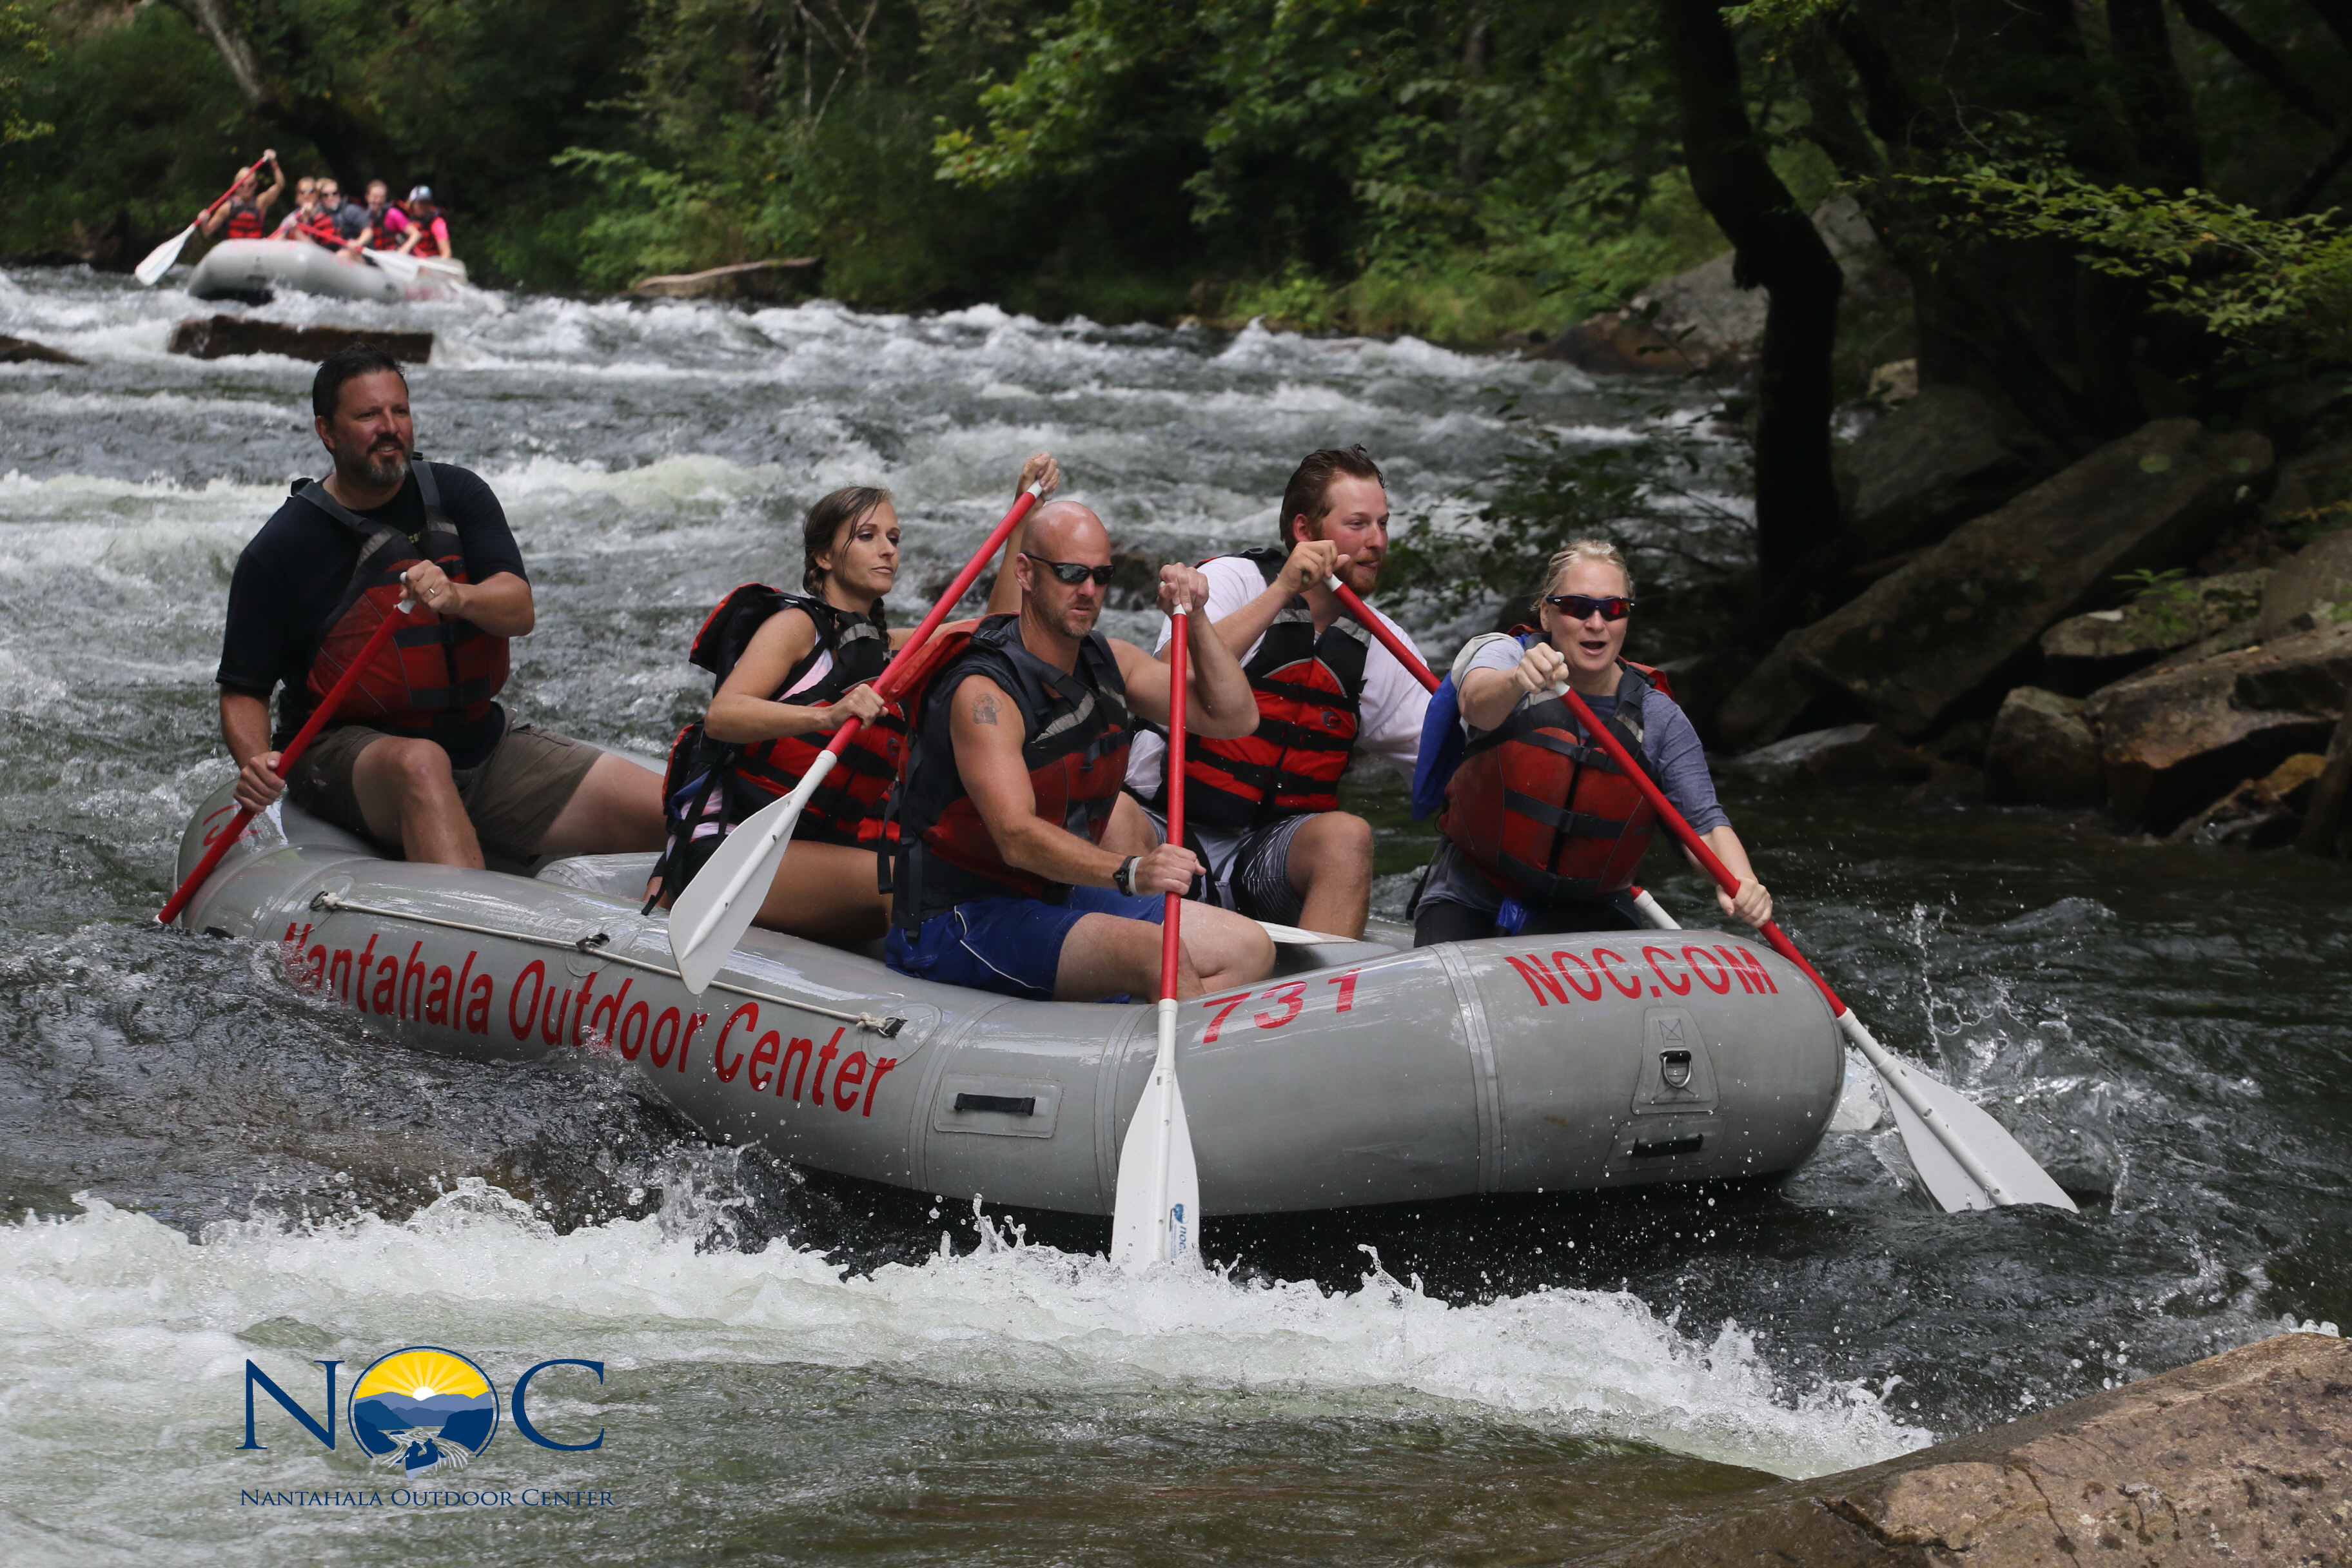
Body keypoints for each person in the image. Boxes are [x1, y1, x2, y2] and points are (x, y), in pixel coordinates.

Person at [215, 345, 665, 870]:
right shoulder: (281, 548)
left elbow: (518, 611)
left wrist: (457, 595)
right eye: (369, 415)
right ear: (327, 432)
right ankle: (472, 908)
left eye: (400, 411)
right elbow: (244, 690)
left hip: (480, 742)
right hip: (345, 756)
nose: (390, 428)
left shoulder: (458, 493)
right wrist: (256, 761)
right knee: (422, 762)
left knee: (678, 814)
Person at [644, 454, 1061, 946]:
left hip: (811, 852)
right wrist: (829, 714)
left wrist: (1024, 511)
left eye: (894, 539)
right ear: (824, 556)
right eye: (867, 536)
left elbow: (997, 631)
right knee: (908, 883)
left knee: (948, 873)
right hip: (733, 850)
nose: (887, 550)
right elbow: (723, 716)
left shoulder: (891, 650)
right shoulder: (796, 627)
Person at [887, 502, 1275, 1001]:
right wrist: (1131, 872)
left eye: (1101, 575)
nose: (1088, 590)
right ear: (1026, 573)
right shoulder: (983, 693)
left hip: (1053, 895)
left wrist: (1196, 618)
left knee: (1248, 948)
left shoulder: (1114, 663)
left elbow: (1233, 717)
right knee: (1158, 954)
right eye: (1071, 573)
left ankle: (1133, 1029)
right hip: (959, 918)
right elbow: (1016, 837)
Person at [1122, 445, 1429, 938]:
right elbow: (1167, 680)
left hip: (1265, 862)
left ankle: (1325, 984)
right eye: (1358, 524)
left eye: (1383, 524)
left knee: (1347, 835)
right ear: (1305, 531)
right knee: (1114, 814)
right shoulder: (1229, 581)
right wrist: (1282, 591)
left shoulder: (1383, 645)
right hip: (1165, 831)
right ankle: (1120, 961)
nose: (1377, 541)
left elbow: (1443, 769)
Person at [1412, 539, 1772, 945]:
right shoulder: (1503, 657)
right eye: (1577, 606)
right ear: (1546, 613)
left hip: (1589, 908)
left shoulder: (1659, 717)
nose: (1597, 623)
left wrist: (1742, 881)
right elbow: (1477, 706)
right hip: (1472, 892)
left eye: (1613, 609)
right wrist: (1517, 681)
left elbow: (1704, 825)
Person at [200, 152, 284, 240]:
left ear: (255, 185)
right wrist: (204, 221)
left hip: (255, 247)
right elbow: (207, 232)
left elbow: (280, 185)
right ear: (236, 187)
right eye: (242, 185)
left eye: (250, 185)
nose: (246, 188)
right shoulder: (227, 208)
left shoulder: (261, 202)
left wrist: (274, 163)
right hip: (235, 248)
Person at [388, 186, 454, 260]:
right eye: (420, 202)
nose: (424, 206)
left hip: (429, 263)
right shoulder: (403, 218)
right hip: (407, 261)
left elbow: (446, 252)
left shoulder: (437, 222)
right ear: (412, 203)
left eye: (427, 203)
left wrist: (437, 266)